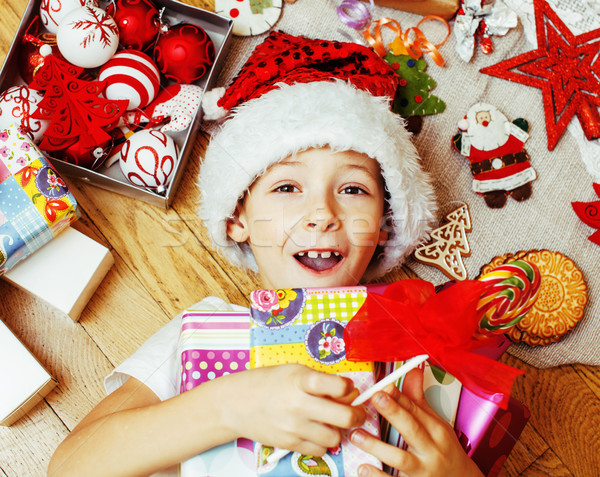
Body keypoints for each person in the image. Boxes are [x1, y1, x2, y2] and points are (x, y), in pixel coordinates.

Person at [48, 32, 483, 477]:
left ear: (384, 225)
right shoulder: (207, 334)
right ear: (238, 217)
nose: (321, 214)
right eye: (287, 187)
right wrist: (232, 407)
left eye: (352, 189)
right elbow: (69, 468)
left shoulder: (419, 349)